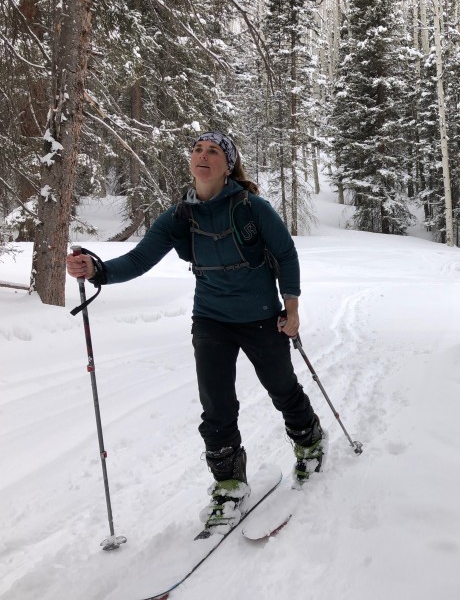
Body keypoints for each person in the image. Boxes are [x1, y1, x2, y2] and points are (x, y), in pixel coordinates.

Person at [66, 131, 324, 536]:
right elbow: (139, 258)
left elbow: (286, 255)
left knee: (281, 387)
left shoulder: (252, 207)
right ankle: (229, 485)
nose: (203, 156)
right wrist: (98, 270)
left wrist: (291, 310)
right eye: (197, 150)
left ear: (228, 164)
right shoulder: (180, 216)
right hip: (210, 320)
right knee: (216, 406)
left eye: (213, 151)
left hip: (260, 317)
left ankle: (309, 441)